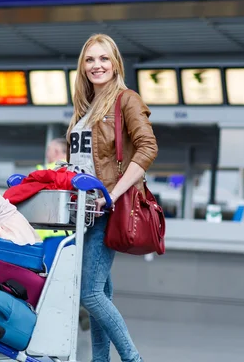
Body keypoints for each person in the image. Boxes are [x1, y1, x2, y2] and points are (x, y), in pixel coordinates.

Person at [67, 33, 158, 362]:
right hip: (83, 213)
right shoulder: (85, 109)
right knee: (100, 291)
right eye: (90, 60)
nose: (97, 65)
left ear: (116, 64)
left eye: (104, 58)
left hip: (106, 208)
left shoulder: (126, 100)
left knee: (89, 292)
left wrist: (112, 195)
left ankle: (133, 359)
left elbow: (148, 147)